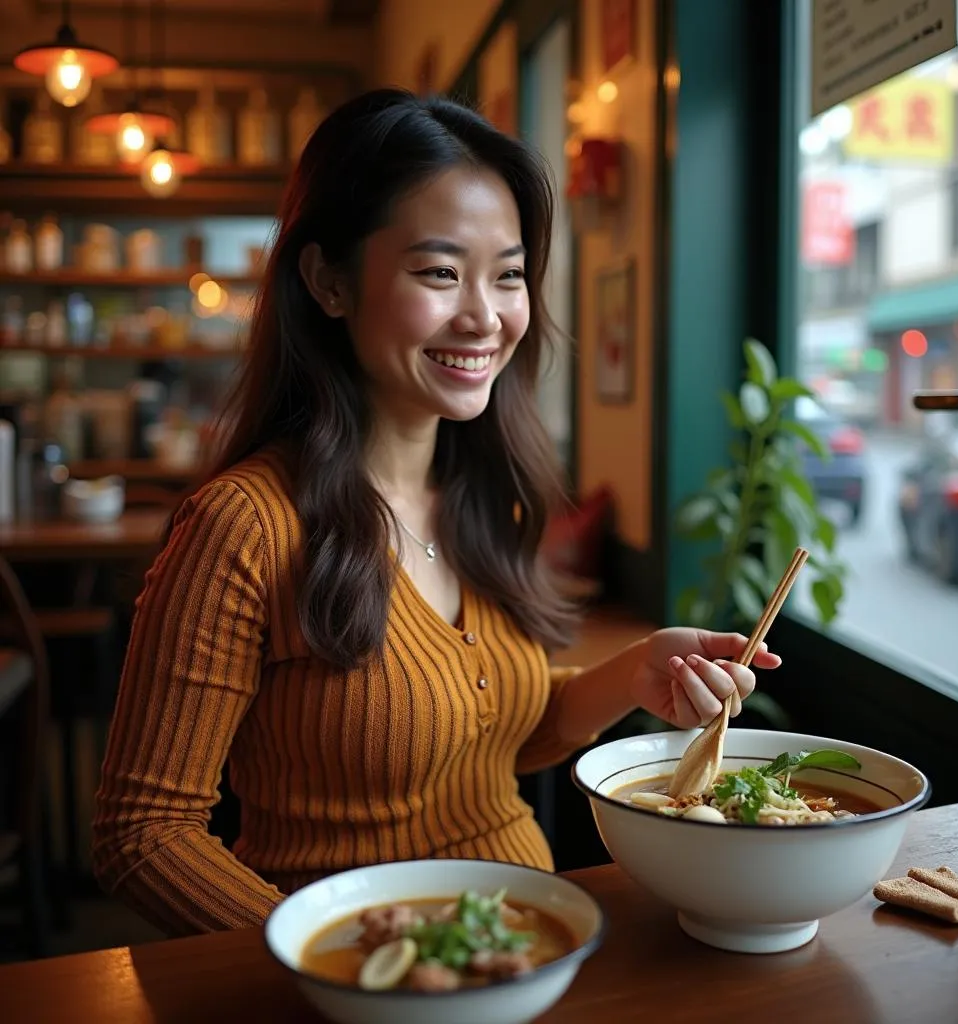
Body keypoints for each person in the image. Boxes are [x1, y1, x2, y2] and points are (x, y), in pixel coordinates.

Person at [92, 88, 781, 936]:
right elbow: (142, 835)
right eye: (439, 272)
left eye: (510, 275)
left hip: (536, 949)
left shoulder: (486, 494)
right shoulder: (245, 526)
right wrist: (345, 958)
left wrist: (633, 674)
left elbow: (490, 736)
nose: (485, 316)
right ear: (329, 282)